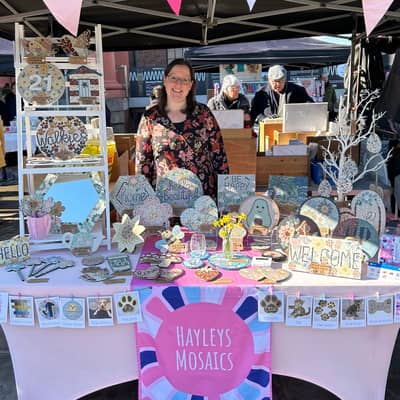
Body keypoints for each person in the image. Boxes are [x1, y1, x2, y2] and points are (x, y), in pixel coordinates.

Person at [135, 58, 229, 198]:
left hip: (202, 205)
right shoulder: (151, 118)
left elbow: (220, 159)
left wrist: (225, 198)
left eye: (185, 80)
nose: (178, 84)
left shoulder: (204, 115)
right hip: (164, 204)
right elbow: (143, 164)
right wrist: (144, 204)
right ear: (165, 80)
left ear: (191, 85)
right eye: (174, 78)